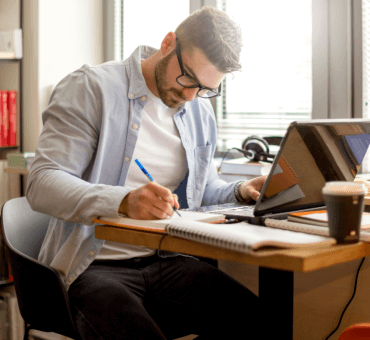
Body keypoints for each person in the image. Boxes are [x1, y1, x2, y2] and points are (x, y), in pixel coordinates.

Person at [26, 6, 266, 340]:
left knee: (260, 322)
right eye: (188, 79)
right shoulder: (90, 88)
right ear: (168, 43)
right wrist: (122, 201)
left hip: (165, 261)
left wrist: (240, 190)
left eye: (206, 89)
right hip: (93, 265)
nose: (191, 96)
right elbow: (43, 182)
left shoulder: (199, 112)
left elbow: (202, 190)